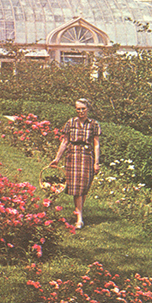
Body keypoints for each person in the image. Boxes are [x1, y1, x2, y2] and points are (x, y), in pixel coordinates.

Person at [48, 98, 100, 229]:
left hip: (88, 156)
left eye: (83, 109)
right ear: (75, 109)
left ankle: (78, 212)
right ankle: (79, 219)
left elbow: (96, 144)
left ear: (88, 109)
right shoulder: (70, 122)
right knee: (77, 189)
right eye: (78, 109)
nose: (81, 111)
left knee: (84, 187)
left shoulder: (94, 124)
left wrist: (97, 163)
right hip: (73, 156)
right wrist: (57, 159)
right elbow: (64, 142)